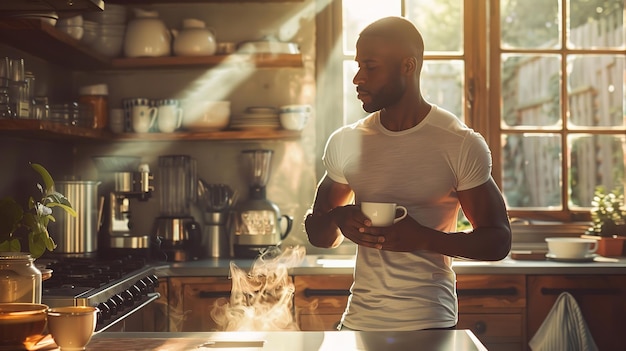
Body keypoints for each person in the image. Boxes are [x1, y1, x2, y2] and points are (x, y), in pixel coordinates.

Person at [304, 16, 512, 331]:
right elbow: (319, 235)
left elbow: (498, 241)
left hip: (430, 323)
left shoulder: (459, 143)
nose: (358, 78)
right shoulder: (346, 141)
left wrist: (424, 239)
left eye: (370, 67)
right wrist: (339, 219)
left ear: (408, 66)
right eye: (358, 66)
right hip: (360, 322)